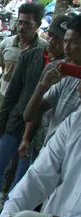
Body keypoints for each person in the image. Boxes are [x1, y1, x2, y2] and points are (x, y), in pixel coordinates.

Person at [0, 3, 51, 200]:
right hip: (10, 116)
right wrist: (3, 118)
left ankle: (8, 210)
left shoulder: (44, 53)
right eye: (19, 22)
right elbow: (8, 86)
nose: (21, 27)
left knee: (21, 174)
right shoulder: (8, 44)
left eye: (27, 24)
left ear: (37, 25)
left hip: (35, 126)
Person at [20, 14, 79, 162]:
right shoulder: (62, 75)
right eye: (65, 41)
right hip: (50, 154)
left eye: (73, 42)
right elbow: (29, 115)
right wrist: (42, 87)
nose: (66, 47)